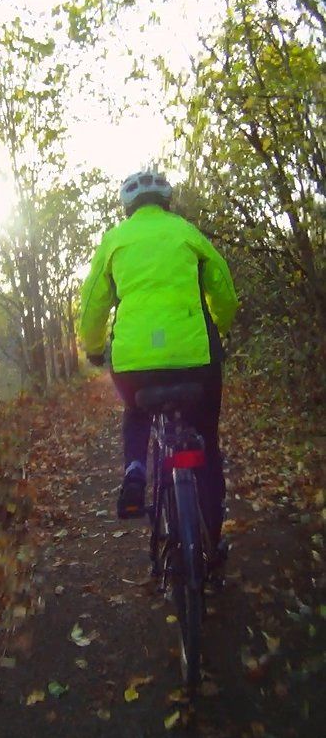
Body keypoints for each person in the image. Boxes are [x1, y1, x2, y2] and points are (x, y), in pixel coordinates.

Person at [79, 170, 239, 557]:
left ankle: (135, 468)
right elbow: (222, 285)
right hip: (195, 359)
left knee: (135, 411)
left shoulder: (114, 241)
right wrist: (221, 326)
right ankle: (213, 542)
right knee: (208, 444)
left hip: (135, 363)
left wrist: (95, 348)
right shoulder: (187, 232)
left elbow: (93, 304)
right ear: (165, 200)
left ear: (128, 205)